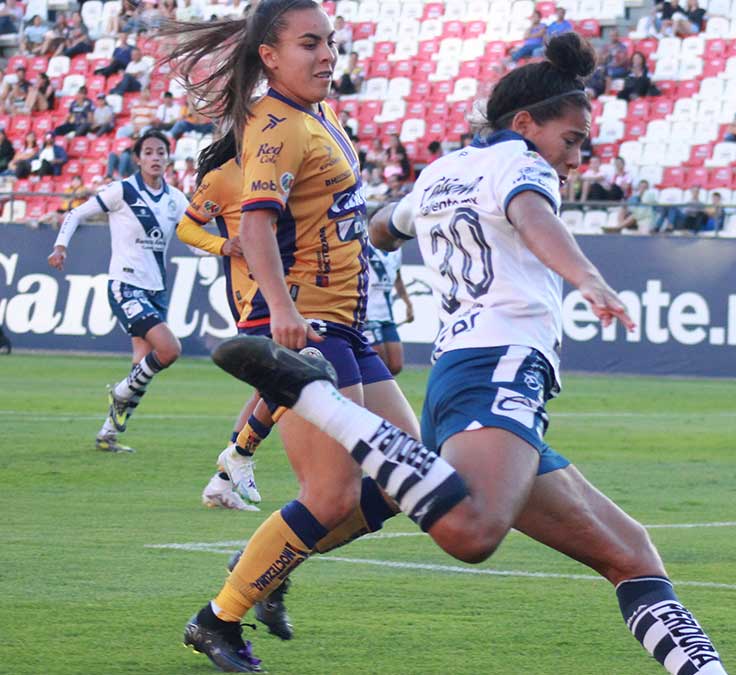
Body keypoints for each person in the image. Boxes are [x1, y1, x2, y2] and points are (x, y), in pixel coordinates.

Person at [212, 30, 728, 675]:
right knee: (472, 531)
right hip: (502, 363)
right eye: (571, 140)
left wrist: (398, 237)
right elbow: (534, 215)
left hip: (467, 368)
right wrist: (586, 277)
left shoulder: (443, 170)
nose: (574, 158)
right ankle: (315, 398)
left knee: (631, 553)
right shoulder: (523, 164)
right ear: (525, 124)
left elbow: (382, 226)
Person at [163, 3, 444, 670]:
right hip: (305, 329)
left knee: (404, 476)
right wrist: (283, 312)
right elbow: (256, 224)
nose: (326, 55)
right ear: (269, 55)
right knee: (331, 495)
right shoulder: (276, 126)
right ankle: (218, 617)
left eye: (331, 42)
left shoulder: (319, 113)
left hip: (344, 324)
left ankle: (264, 561)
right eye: (309, 44)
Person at [46, 130, 188, 453]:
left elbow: (194, 234)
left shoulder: (175, 199)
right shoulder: (122, 190)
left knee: (142, 366)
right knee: (169, 350)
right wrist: (60, 246)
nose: (155, 157)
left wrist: (225, 249)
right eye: (149, 152)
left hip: (156, 290)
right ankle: (120, 392)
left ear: (168, 158)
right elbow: (77, 213)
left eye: (161, 152)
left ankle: (107, 434)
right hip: (125, 285)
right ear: (137, 159)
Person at [170, 131, 266, 514]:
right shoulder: (224, 177)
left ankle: (224, 477)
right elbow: (187, 227)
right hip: (250, 293)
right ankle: (235, 461)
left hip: (289, 285)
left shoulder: (278, 169)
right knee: (274, 384)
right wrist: (223, 245)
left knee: (270, 387)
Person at [364, 242, 412, 375]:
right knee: (377, 364)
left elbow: (397, 278)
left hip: (387, 315)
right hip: (368, 314)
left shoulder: (396, 249)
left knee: (396, 365)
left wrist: (408, 303)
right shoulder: (365, 244)